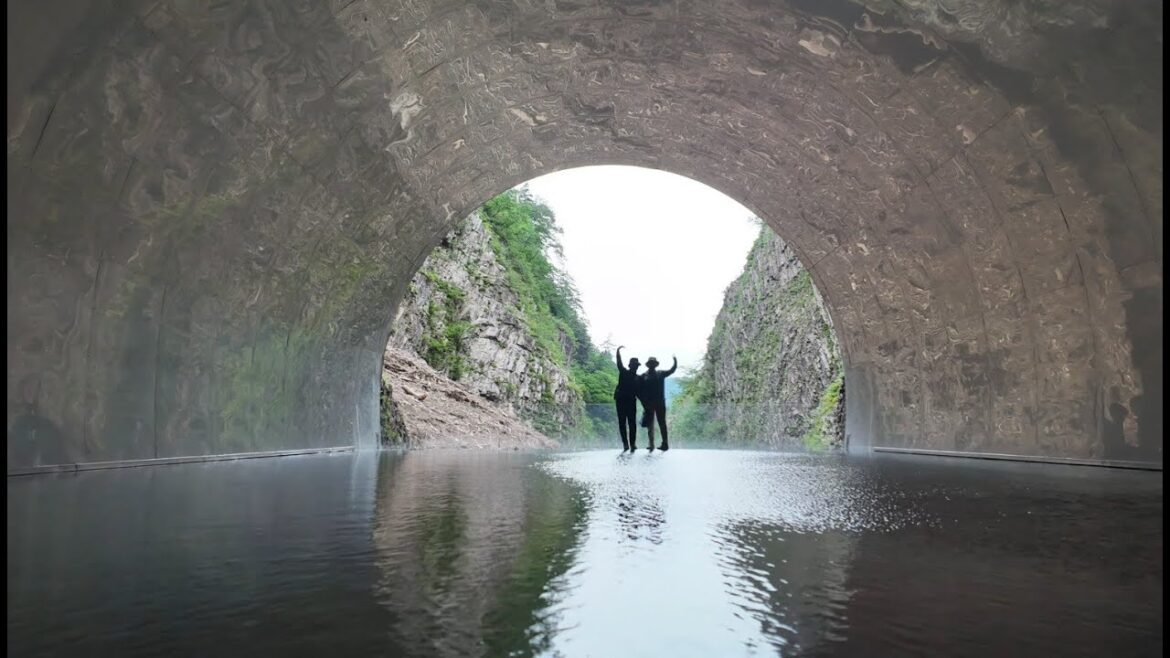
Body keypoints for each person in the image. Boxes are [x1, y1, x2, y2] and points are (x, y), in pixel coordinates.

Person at [638, 356, 677, 451]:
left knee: (661, 423)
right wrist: (644, 401)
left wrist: (675, 362)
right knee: (651, 424)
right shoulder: (646, 376)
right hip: (652, 403)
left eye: (653, 363)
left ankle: (664, 443)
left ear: (655, 365)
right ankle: (652, 444)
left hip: (658, 403)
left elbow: (671, 370)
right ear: (649, 365)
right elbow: (639, 390)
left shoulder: (656, 374)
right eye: (651, 363)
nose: (652, 365)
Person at [613, 346, 641, 452]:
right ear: (632, 366)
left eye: (636, 365)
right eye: (635, 365)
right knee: (630, 423)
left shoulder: (625, 373)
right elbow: (639, 393)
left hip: (622, 401)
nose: (635, 367)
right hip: (628, 401)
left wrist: (618, 352)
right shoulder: (636, 377)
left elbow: (619, 363)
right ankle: (630, 444)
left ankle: (628, 444)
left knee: (624, 423)